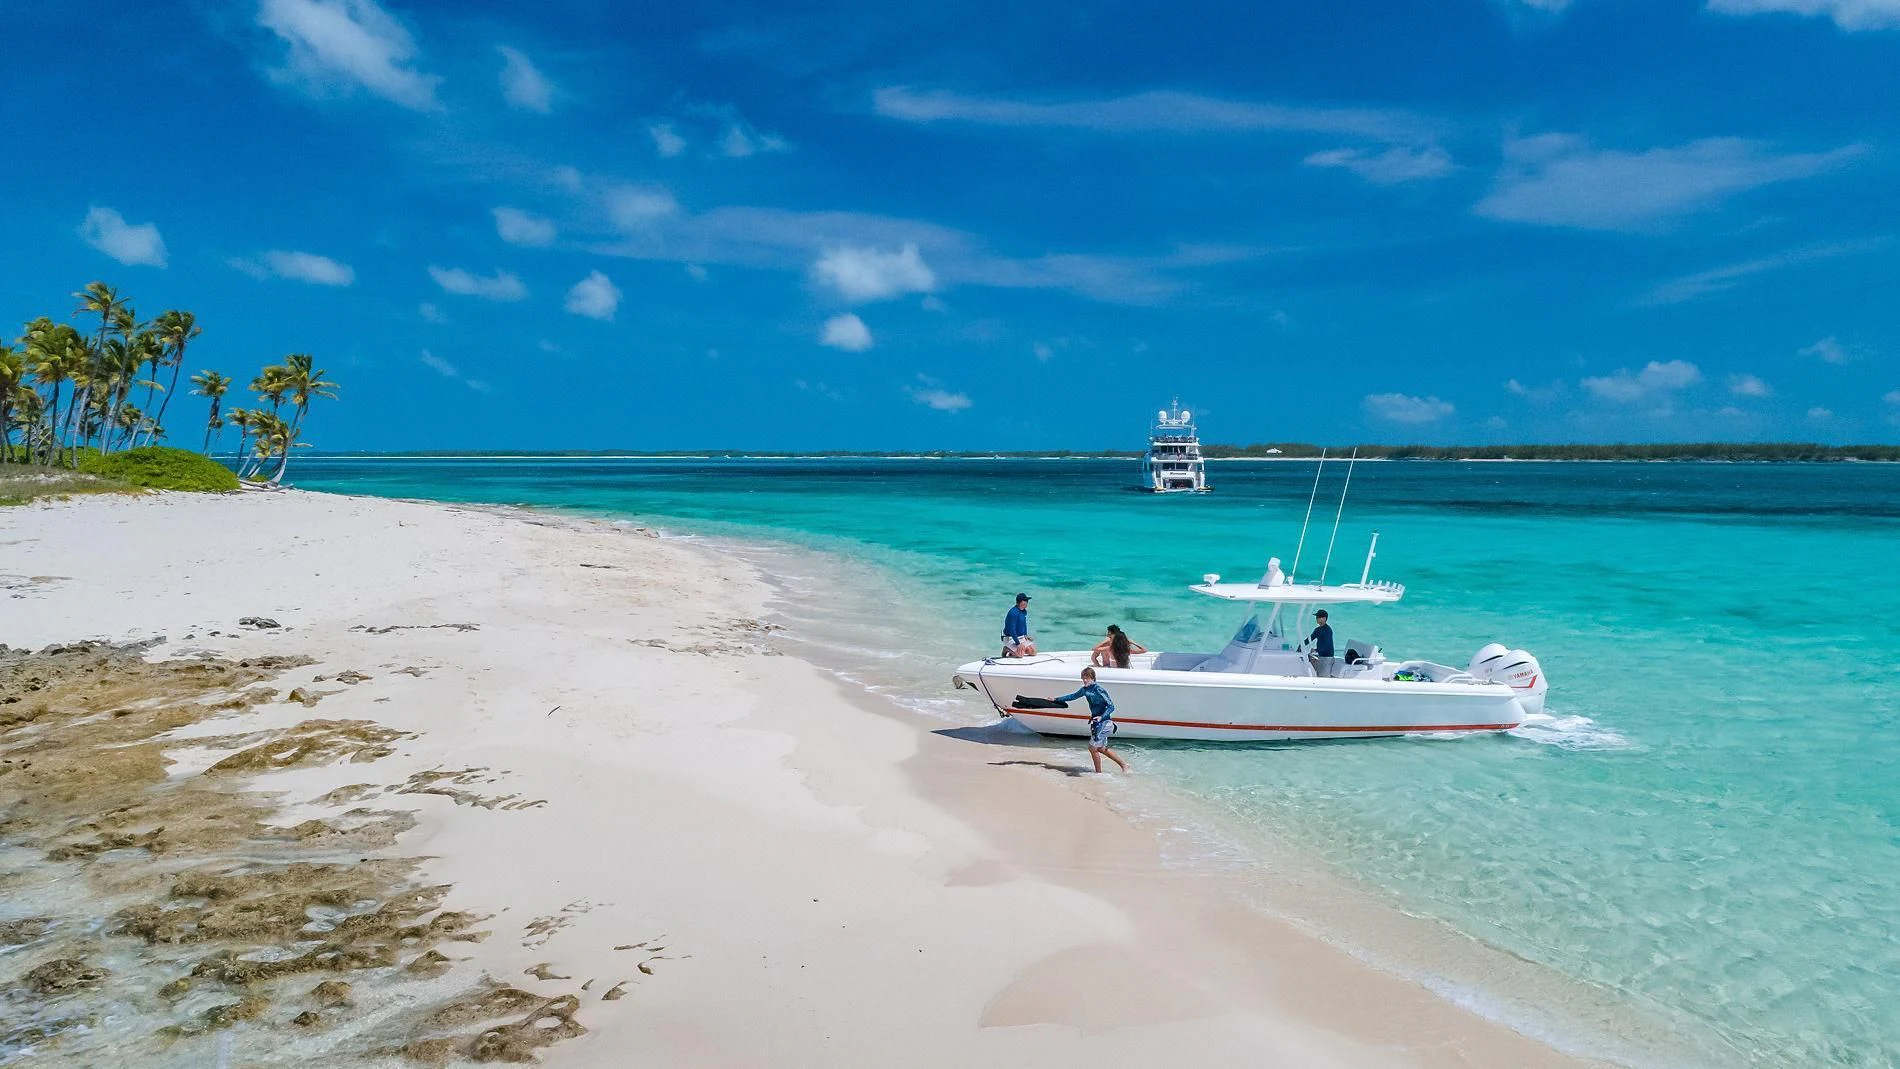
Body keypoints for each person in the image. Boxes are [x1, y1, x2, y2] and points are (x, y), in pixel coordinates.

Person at [1054, 667, 1129, 773]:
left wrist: (1101, 717)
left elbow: (1111, 706)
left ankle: (1099, 773)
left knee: (1092, 748)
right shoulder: (1085, 690)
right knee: (1101, 749)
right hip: (1096, 724)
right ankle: (1124, 765)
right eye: (1083, 678)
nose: (1084, 680)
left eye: (1087, 678)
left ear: (1093, 678)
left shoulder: (1099, 690)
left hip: (1105, 722)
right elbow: (1073, 696)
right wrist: (1056, 699)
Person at [1000, 593, 1036, 657]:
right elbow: (1012, 630)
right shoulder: (1013, 613)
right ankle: (1006, 649)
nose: (1027, 603)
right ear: (1022, 602)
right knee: (1020, 655)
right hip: (1010, 637)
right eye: (1026, 601)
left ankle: (1013, 651)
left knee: (1033, 652)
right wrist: (1018, 643)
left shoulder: (1023, 611)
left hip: (1021, 637)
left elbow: (1024, 623)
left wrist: (1025, 634)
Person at [1308, 609, 1337, 677]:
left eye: (1318, 617)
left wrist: (1316, 650)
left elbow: (1325, 645)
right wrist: (1301, 645)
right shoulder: (1318, 630)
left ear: (1324, 618)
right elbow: (1310, 638)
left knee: (1323, 679)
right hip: (1321, 657)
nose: (1316, 619)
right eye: (1316, 617)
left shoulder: (1328, 630)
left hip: (1327, 658)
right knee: (1318, 676)